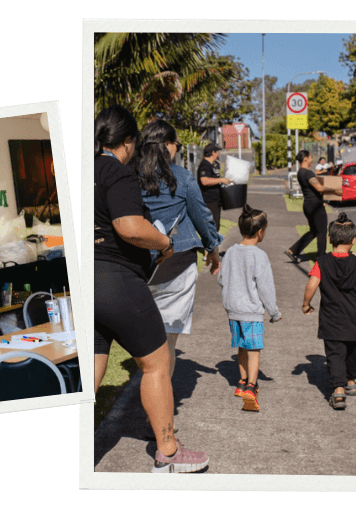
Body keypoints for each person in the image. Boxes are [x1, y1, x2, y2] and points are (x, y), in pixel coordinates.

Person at [94, 105, 208, 473]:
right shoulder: (118, 172)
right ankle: (169, 452)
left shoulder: (84, 170)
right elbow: (129, 226)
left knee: (91, 372)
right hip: (116, 279)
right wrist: (162, 242)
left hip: (85, 281)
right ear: (127, 142)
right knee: (157, 363)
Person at [131, 119, 222, 387]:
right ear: (168, 145)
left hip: (135, 268)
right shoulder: (180, 177)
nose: (177, 150)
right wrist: (212, 249)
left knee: (145, 340)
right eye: (177, 145)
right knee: (167, 343)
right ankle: (157, 412)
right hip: (177, 264)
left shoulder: (128, 176)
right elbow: (202, 217)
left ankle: (148, 390)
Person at [301, 213, 356, 410]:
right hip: (355, 317)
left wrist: (306, 304)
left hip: (331, 318)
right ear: (353, 240)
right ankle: (350, 381)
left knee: (334, 354)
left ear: (330, 239)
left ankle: (338, 391)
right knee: (352, 350)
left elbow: (312, 284)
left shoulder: (322, 262)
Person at [217, 205, 281, 412]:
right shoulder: (259, 256)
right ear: (261, 231)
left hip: (233, 310)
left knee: (242, 346)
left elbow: (220, 278)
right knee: (254, 349)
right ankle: (252, 387)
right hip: (251, 311)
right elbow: (265, 287)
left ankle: (242, 382)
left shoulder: (230, 252)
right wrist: (273, 311)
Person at [285, 150, 343, 263]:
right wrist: (335, 190)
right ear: (305, 158)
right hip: (315, 205)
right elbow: (320, 188)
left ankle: (292, 250)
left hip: (307, 205)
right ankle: (321, 257)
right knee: (321, 231)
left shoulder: (300, 172)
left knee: (314, 231)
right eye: (310, 156)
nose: (312, 159)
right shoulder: (308, 173)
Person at [196, 143, 230, 233]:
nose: (218, 154)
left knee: (215, 227)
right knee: (211, 228)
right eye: (217, 151)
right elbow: (204, 180)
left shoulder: (211, 165)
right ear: (213, 153)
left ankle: (213, 246)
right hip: (209, 202)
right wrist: (221, 180)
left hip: (215, 201)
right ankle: (211, 247)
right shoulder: (205, 165)